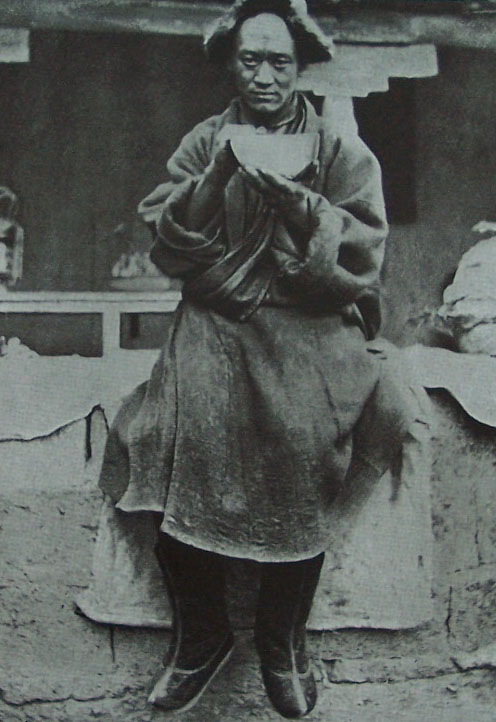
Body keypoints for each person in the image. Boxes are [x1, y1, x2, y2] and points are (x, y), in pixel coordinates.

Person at [99, 0, 414, 717]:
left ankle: (281, 640)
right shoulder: (203, 140)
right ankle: (203, 634)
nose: (264, 76)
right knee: (157, 441)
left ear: (301, 67)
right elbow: (168, 244)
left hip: (310, 322)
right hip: (215, 321)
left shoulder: (339, 149)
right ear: (231, 65)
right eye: (250, 60)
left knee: (306, 445)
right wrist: (216, 176)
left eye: (279, 62)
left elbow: (365, 255)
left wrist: (308, 212)